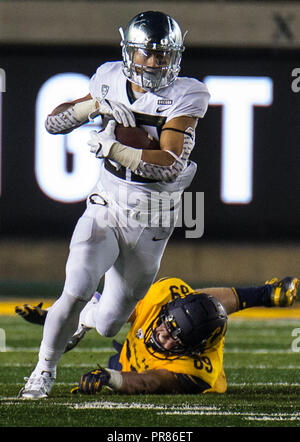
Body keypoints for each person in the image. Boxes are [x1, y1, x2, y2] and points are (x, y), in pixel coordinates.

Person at [18, 11, 210, 399]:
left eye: (163, 54)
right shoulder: (108, 79)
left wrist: (114, 147)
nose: (155, 62)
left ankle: (85, 318)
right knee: (75, 286)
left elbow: (168, 167)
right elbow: (53, 124)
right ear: (129, 53)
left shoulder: (188, 94)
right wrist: (95, 108)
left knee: (108, 323)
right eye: (148, 53)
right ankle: (43, 370)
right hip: (106, 203)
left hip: (152, 217)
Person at [16, 275, 299, 395]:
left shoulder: (199, 370)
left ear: (192, 349)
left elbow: (150, 382)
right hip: (133, 346)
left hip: (133, 369)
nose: (161, 332)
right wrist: (59, 319)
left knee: (208, 313)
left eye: (172, 337)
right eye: (166, 323)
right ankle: (268, 294)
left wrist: (111, 378)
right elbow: (113, 313)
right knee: (106, 306)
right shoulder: (163, 299)